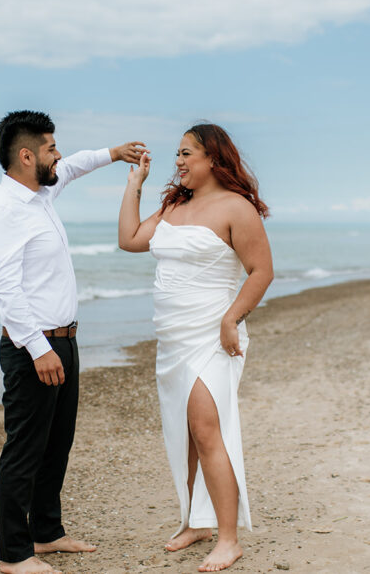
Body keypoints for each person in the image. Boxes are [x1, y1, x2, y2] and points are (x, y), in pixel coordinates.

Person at [0, 110, 146, 574]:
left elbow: (73, 166)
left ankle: (46, 532)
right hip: (33, 348)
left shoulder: (41, 191)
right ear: (27, 155)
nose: (60, 156)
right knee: (24, 449)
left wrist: (115, 154)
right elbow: (6, 291)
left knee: (57, 443)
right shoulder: (4, 210)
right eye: (51, 148)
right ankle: (13, 554)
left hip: (64, 341)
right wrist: (38, 350)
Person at [117, 123, 273, 572]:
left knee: (207, 431)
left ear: (213, 159)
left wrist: (231, 318)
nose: (179, 162)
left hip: (212, 336)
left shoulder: (236, 208)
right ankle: (194, 522)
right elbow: (129, 240)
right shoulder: (174, 204)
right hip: (172, 338)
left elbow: (261, 271)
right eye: (178, 155)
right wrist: (135, 185)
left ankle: (228, 539)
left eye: (187, 154)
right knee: (182, 434)